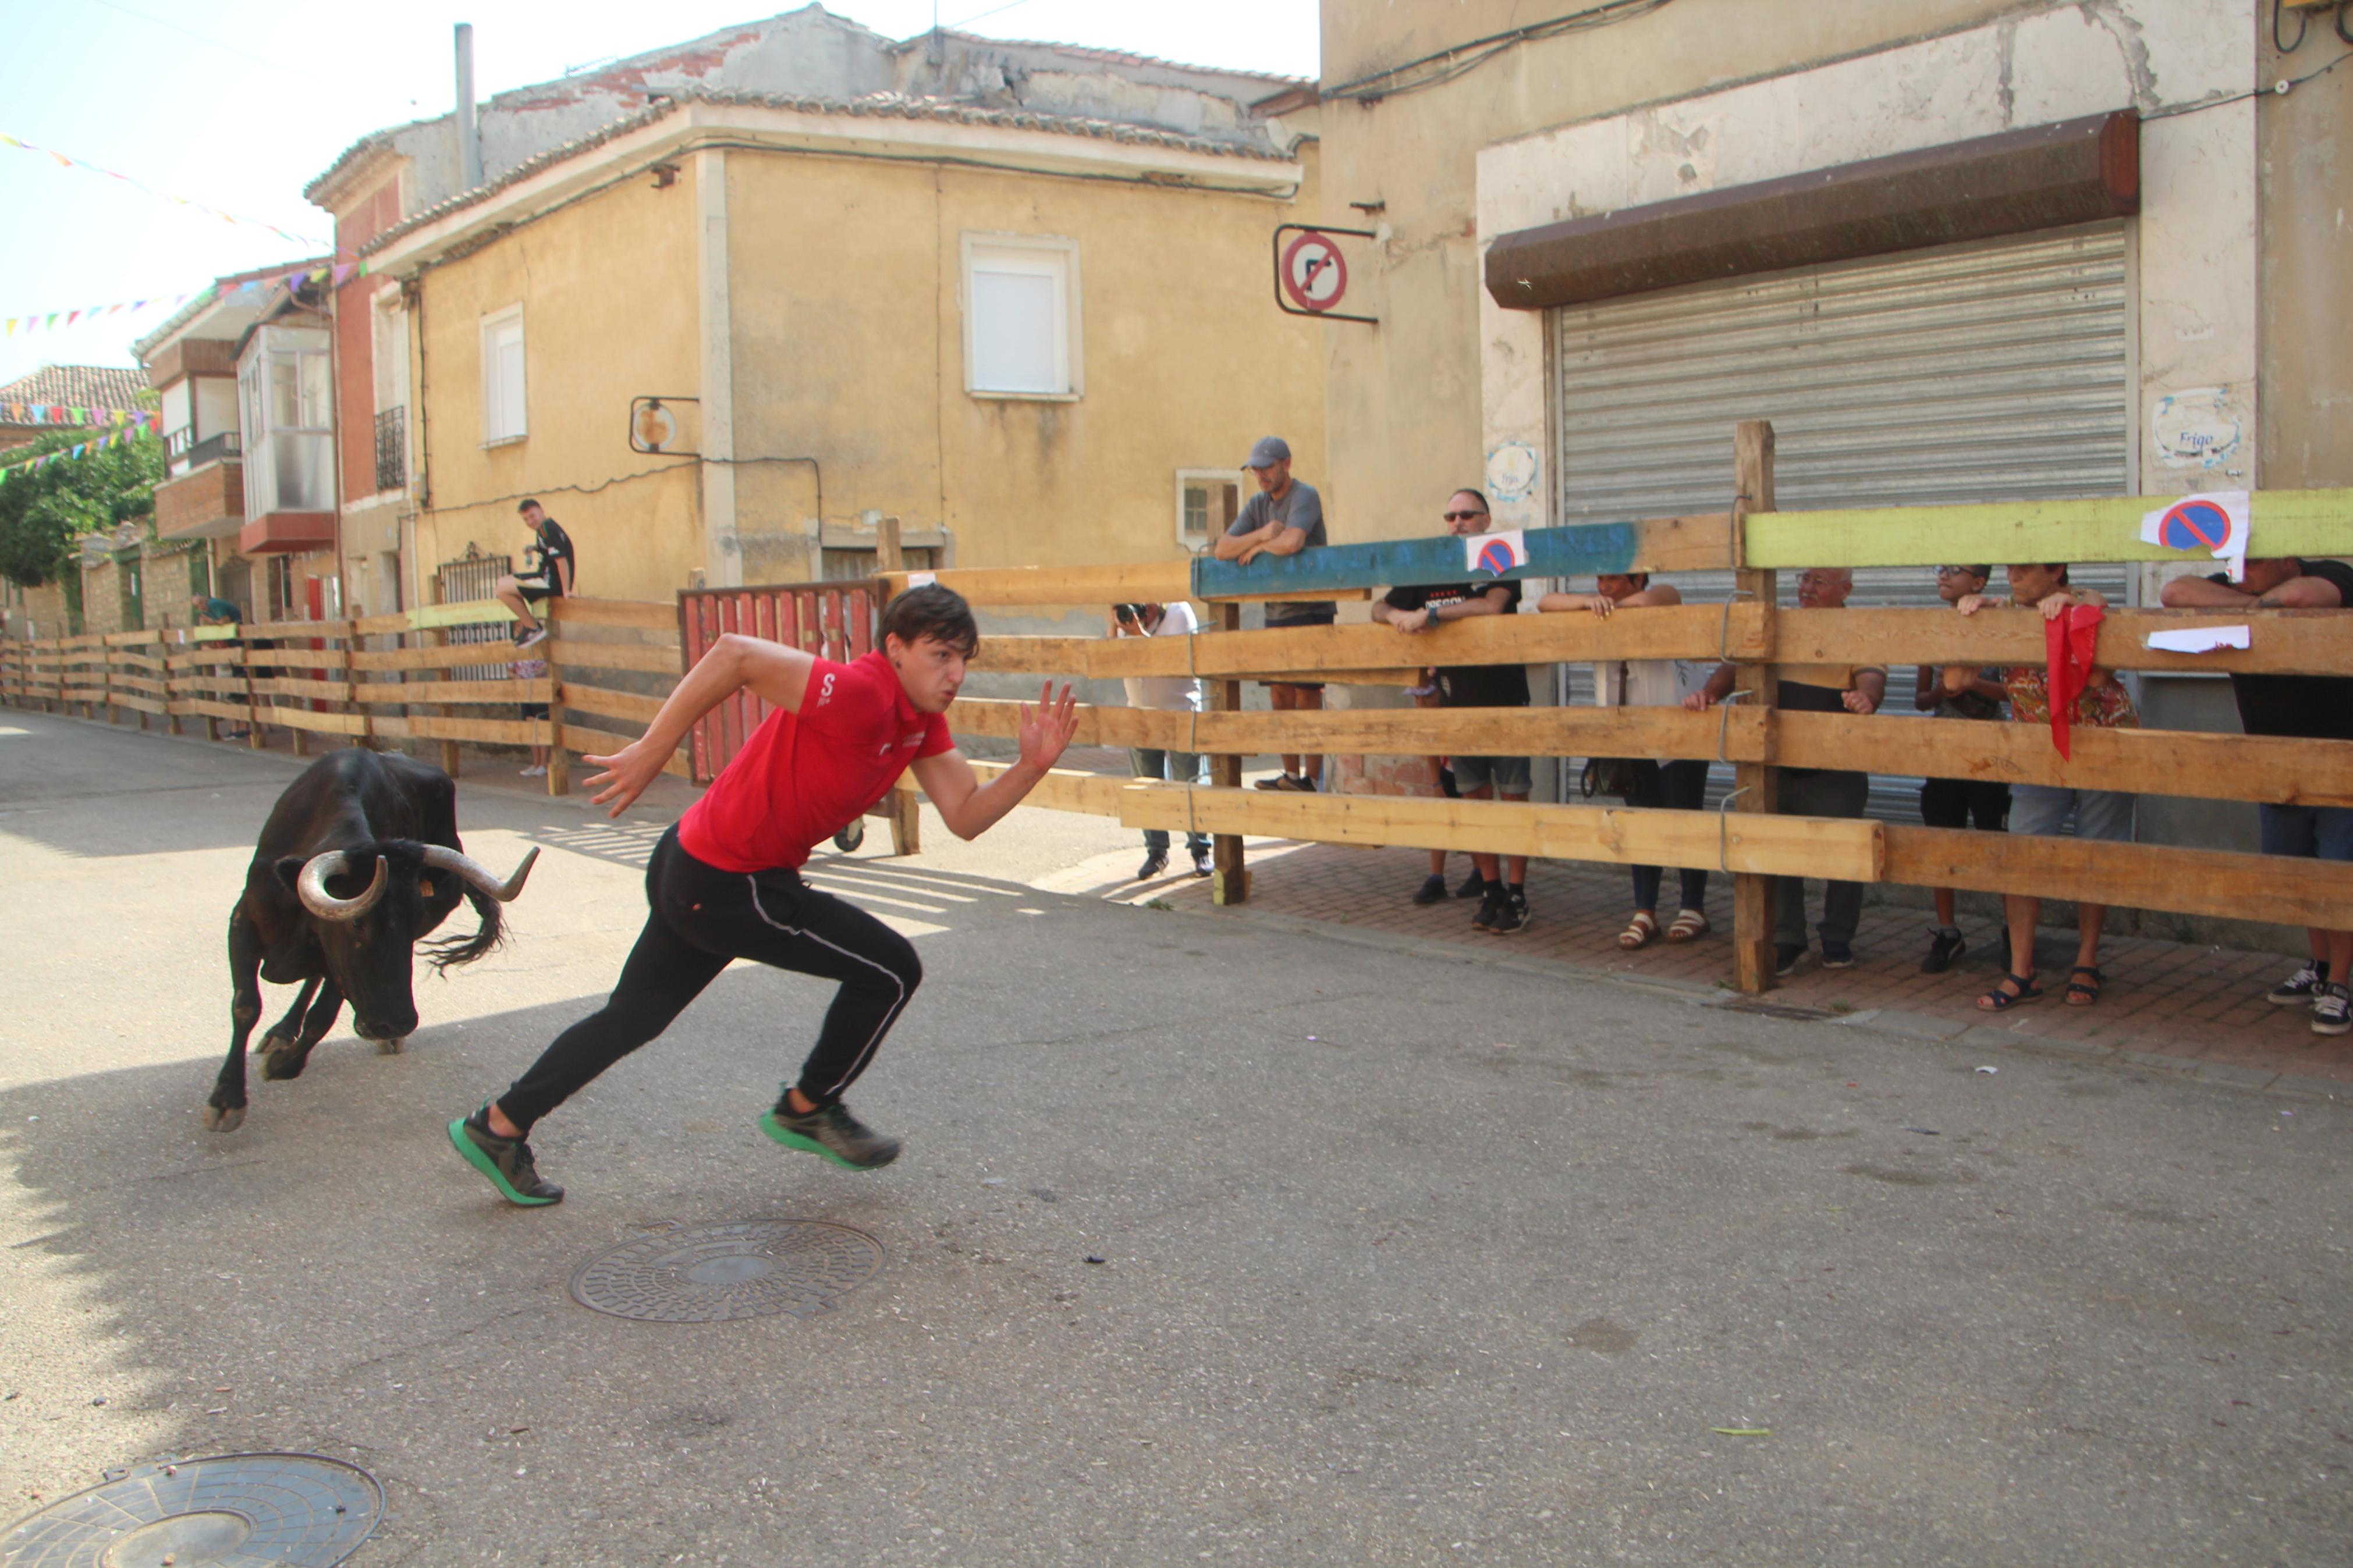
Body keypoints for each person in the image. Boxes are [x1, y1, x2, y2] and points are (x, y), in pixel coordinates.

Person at [446, 584, 1078, 1205]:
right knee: (889, 969)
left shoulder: (920, 723)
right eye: (941, 654)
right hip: (727, 882)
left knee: (632, 1017)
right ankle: (808, 1107)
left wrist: (1029, 768)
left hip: (697, 865)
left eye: (964, 657)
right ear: (896, 648)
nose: (956, 672)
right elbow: (733, 654)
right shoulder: (860, 692)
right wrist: (652, 748)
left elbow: (964, 816)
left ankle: (497, 1126)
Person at [2160, 554, 2353, 1035]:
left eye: (2253, 561)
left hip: (2338, 758)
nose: (2238, 571)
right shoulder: (2236, 582)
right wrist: (2253, 602)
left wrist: (2250, 607)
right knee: (2297, 874)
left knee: (2338, 873)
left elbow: (2301, 597)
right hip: (2273, 761)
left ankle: (2342, 984)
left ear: (2287, 557)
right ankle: (2321, 965)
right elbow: (2174, 593)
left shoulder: (2331, 572)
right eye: (2234, 561)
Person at [1685, 568, 1885, 976]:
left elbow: (1872, 675)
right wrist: (1710, 691)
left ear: (1846, 588)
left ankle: (1837, 938)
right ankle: (1788, 939)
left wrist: (1865, 697)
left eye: (1819, 582)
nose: (1806, 589)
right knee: (1777, 853)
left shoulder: (1857, 628)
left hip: (1833, 769)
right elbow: (1736, 665)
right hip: (1774, 765)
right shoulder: (1778, 624)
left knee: (1844, 855)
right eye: (1804, 579)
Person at [1954, 563, 2133, 1012]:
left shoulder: (2086, 598)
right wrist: (1972, 622)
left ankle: (2086, 960)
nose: (2012, 576)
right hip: (2038, 744)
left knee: (2096, 852)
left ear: (2055, 571)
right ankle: (2021, 970)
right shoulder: (2002, 610)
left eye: (2025, 569)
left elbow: (2093, 670)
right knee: (2023, 852)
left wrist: (2077, 607)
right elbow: (1956, 682)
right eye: (2010, 567)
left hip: (2099, 740)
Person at [1373, 488, 1532, 935]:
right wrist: (1396, 618)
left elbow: (1492, 605)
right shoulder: (1433, 564)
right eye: (1449, 516)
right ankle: (1491, 890)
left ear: (1485, 520)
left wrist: (1431, 615)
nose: (1456, 523)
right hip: (1455, 703)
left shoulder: (1500, 555)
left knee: (1513, 798)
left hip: (1504, 698)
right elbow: (1378, 605)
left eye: (1466, 515)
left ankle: (1518, 894)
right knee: (1474, 799)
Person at [1541, 572, 1710, 948]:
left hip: (1679, 729)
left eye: (1613, 580)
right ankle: (1645, 910)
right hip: (1628, 735)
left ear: (1637, 578)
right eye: (1600, 579)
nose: (1603, 586)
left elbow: (1655, 600)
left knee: (1685, 817)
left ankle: (1692, 906)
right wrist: (1587, 603)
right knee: (1638, 822)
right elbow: (1544, 603)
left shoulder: (1661, 594)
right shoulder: (1594, 606)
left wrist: (1607, 607)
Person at [1215, 436, 1330, 792]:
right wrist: (1263, 535)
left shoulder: (1305, 495)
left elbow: (1293, 542)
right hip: (1276, 610)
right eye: (1255, 469)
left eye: (1267, 467)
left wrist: (1260, 546)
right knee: (1279, 695)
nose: (1261, 475)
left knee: (1308, 694)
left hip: (1310, 608)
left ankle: (1312, 777)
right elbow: (1222, 549)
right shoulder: (1257, 505)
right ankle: (1290, 775)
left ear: (1286, 464)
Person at [1915, 564, 2010, 973]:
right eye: (1940, 569)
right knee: (1942, 839)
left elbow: (2012, 690)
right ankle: (1948, 931)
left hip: (1990, 750)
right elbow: (1921, 699)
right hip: (1943, 748)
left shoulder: (1999, 625)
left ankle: (2012, 927)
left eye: (1955, 571)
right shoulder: (1932, 627)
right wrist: (1945, 688)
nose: (1943, 577)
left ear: (1979, 582)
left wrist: (1971, 684)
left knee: (1999, 842)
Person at [1113, 600, 1211, 881]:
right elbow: (1111, 662)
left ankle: (1200, 849)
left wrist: (1136, 636)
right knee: (1147, 786)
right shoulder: (1125, 618)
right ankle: (1156, 852)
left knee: (1189, 783)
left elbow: (1171, 659)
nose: (1143, 607)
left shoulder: (1180, 612)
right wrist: (1114, 630)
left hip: (1180, 713)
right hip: (1140, 715)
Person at [495, 499, 574, 651]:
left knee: (502, 590)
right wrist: (535, 548)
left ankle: (533, 628)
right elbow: (550, 548)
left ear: (542, 511)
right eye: (526, 519)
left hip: (549, 582)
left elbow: (562, 560)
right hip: (545, 578)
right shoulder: (545, 529)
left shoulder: (547, 529)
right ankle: (530, 625)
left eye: (533, 516)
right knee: (503, 582)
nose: (530, 521)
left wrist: (566, 590)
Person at [189, 593, 250, 739]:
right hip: (233, 641)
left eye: (200, 605)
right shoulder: (207, 610)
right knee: (237, 678)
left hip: (240, 636)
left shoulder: (214, 605)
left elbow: (225, 620)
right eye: (197, 607)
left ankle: (243, 725)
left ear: (205, 601)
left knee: (240, 677)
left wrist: (211, 622)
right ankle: (239, 724)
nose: (200, 608)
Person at [516, 652, 551, 778]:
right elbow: (510, 670)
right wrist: (517, 677)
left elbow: (548, 666)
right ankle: (536, 764)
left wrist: (534, 674)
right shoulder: (518, 652)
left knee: (542, 726)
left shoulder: (540, 650)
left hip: (540, 690)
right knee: (530, 727)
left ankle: (544, 764)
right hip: (525, 691)